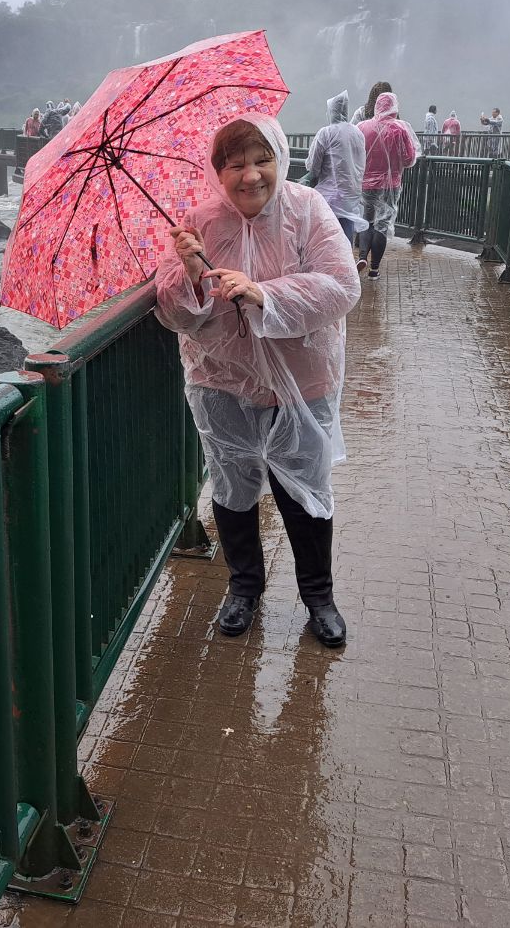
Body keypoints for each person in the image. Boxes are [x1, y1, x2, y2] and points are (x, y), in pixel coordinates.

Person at [155, 114, 360, 645]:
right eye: (235, 165)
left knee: (305, 490)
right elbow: (174, 315)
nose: (250, 176)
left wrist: (265, 293)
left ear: (280, 160)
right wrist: (188, 273)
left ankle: (319, 597)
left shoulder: (307, 209)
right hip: (220, 381)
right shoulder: (197, 223)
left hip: (302, 381)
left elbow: (342, 285)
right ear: (217, 172)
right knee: (232, 487)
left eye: (262, 160)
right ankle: (244, 587)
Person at [357, 92, 418, 279]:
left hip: (366, 183)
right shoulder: (400, 129)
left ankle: (362, 257)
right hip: (390, 186)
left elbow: (355, 155)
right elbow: (409, 160)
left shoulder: (362, 127)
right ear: (394, 107)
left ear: (377, 106)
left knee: (367, 221)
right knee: (382, 225)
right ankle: (374, 270)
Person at [305, 90, 368, 262]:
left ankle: (328, 266)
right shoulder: (357, 133)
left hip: (330, 195)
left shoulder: (326, 133)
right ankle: (347, 265)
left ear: (331, 111)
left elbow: (313, 166)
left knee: (326, 234)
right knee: (346, 231)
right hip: (351, 193)